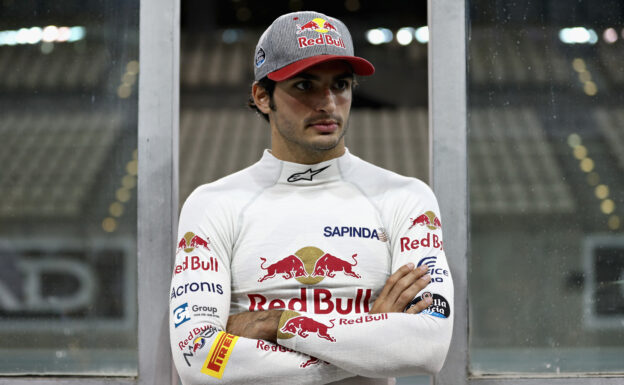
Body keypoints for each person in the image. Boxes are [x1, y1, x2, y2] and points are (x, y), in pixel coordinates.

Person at [169, 11, 453, 385]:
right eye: (305, 86)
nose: (329, 103)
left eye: (341, 85)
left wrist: (278, 322)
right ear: (261, 96)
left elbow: (427, 348)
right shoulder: (213, 204)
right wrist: (369, 337)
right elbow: (198, 361)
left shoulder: (405, 197)